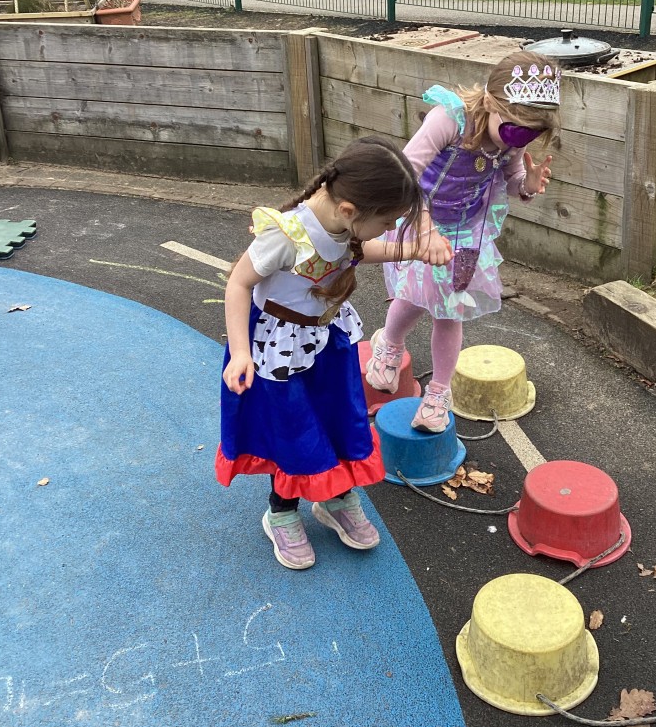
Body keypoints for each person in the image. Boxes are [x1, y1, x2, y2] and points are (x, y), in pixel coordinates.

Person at [217, 135, 451, 571]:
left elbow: (357, 250)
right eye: (387, 221)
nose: (389, 228)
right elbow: (239, 283)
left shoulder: (344, 221)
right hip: (280, 353)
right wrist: (240, 353)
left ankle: (336, 497)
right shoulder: (286, 235)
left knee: (339, 418)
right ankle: (281, 511)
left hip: (326, 340)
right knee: (292, 430)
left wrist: (411, 250)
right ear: (349, 209)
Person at [365, 50, 562, 434]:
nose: (521, 139)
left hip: (467, 232)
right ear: (490, 102)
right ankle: (389, 345)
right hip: (419, 217)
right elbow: (404, 174)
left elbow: (511, 180)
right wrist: (425, 231)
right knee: (414, 296)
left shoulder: (513, 136)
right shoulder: (449, 120)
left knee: (449, 309)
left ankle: (437, 397)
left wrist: (528, 184)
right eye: (516, 129)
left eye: (532, 133)